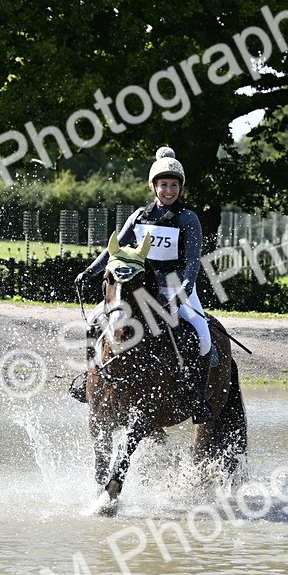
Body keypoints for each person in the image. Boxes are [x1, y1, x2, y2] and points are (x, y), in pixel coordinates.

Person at [72, 147, 213, 423]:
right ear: (154, 187)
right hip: (138, 289)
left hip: (176, 287)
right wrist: (89, 271)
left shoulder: (188, 219)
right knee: (93, 320)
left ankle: (197, 399)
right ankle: (89, 380)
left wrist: (184, 287)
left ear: (180, 187)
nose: (168, 191)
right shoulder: (139, 216)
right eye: (163, 185)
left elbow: (193, 261)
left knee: (201, 335)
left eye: (174, 185)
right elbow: (115, 249)